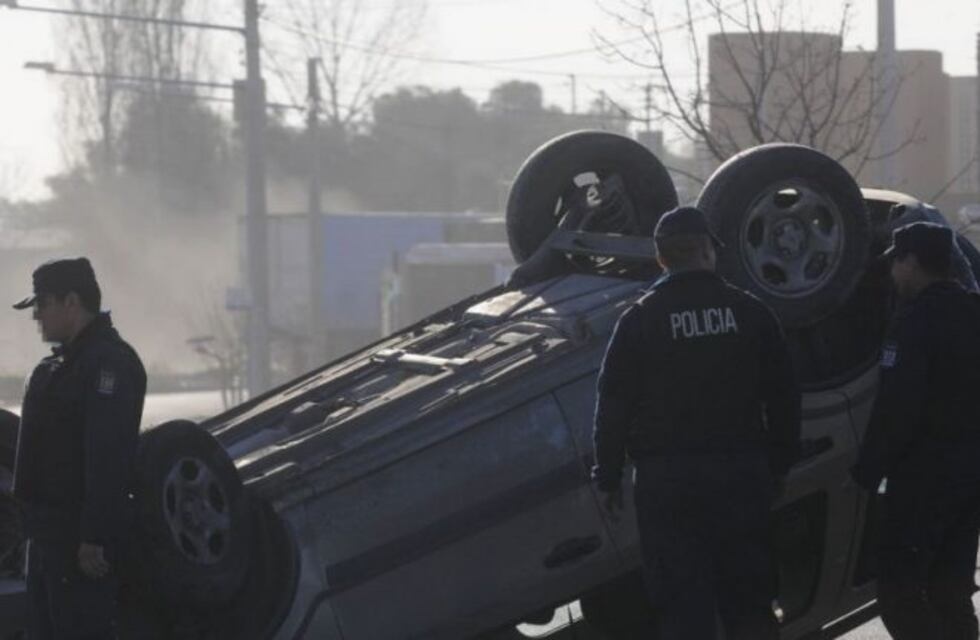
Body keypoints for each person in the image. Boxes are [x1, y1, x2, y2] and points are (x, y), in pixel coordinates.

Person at [592, 205, 801, 640]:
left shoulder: (639, 320)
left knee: (683, 608)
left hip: (666, 484)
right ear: (708, 252)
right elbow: (784, 395)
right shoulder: (750, 313)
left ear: (662, 259)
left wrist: (608, 476)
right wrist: (779, 464)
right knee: (749, 601)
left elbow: (613, 403)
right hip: (740, 475)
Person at [852, 222, 980, 640]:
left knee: (898, 593)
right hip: (971, 481)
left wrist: (867, 472)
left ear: (911, 262)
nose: (893, 275)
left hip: (924, 480)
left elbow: (898, 409)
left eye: (896, 264)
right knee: (951, 591)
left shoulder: (914, 323)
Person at [12, 257, 146, 639]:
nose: (37, 315)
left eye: (42, 304)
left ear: (72, 302)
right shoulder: (56, 368)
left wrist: (95, 537)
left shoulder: (108, 365)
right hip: (46, 542)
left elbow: (108, 456)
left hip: (80, 547)